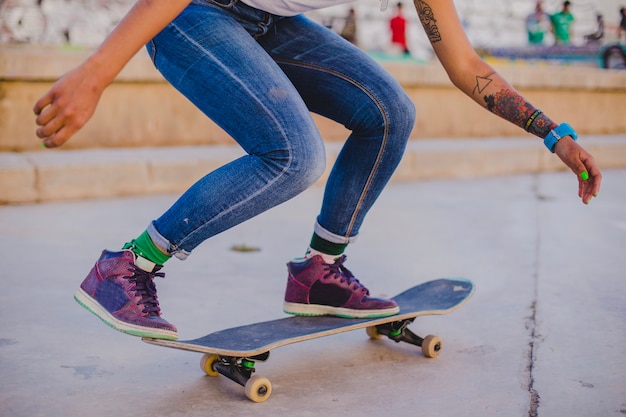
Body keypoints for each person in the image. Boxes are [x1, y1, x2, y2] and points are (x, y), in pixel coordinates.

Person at [33, 0, 601, 341]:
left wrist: (554, 134)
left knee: (389, 112)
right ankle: (125, 266)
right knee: (294, 154)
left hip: (270, 23)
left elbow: (465, 65)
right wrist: (97, 72)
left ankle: (319, 273)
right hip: (191, 15)